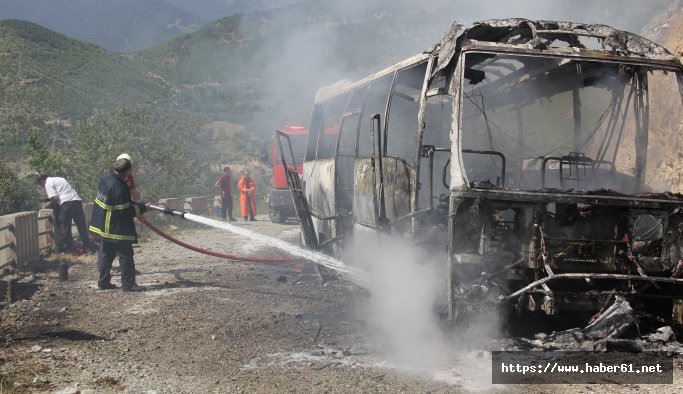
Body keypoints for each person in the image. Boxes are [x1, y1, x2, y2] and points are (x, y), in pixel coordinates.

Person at [89, 158, 149, 291]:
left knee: (106, 254)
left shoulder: (105, 178)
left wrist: (137, 204)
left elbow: (116, 201)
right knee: (126, 254)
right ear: (128, 170)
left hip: (103, 225)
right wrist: (143, 208)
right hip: (116, 228)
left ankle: (103, 282)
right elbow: (126, 212)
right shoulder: (120, 188)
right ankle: (128, 284)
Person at [36, 174, 98, 254]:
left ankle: (70, 250)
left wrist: (46, 206)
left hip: (66, 205)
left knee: (65, 228)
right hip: (77, 201)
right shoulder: (60, 178)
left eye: (41, 185)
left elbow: (55, 199)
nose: (42, 187)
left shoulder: (48, 183)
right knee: (82, 227)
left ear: (42, 181)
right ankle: (90, 249)